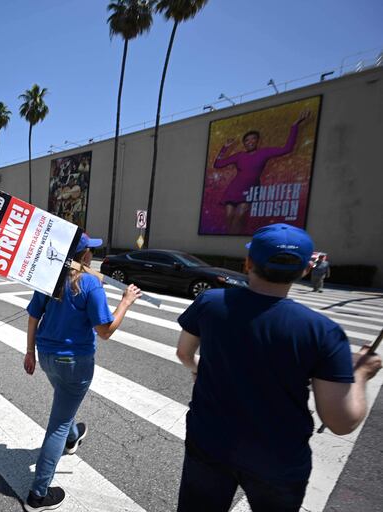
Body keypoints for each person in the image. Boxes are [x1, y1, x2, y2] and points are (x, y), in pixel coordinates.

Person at [175, 223, 381, 512]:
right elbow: (340, 421)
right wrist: (360, 374)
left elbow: (184, 353)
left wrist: (198, 369)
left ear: (248, 263)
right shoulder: (321, 331)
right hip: (278, 458)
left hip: (210, 442)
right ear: (305, 270)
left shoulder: (210, 303)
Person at [22, 233, 141, 512]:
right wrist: (125, 302)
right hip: (75, 361)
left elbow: (33, 316)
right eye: (90, 250)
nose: (92, 254)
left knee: (65, 401)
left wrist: (29, 352)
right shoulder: (90, 284)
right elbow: (106, 331)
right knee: (58, 424)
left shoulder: (49, 279)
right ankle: (38, 494)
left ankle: (74, 435)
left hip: (47, 356)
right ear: (84, 255)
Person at [214, 110, 310, 233]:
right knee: (228, 218)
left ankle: (234, 244)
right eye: (247, 140)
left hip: (250, 190)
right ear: (244, 143)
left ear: (257, 141)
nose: (250, 142)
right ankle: (227, 244)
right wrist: (225, 147)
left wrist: (295, 125)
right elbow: (218, 164)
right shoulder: (239, 155)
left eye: (253, 139)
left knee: (239, 216)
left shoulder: (264, 152)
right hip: (233, 189)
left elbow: (287, 149)